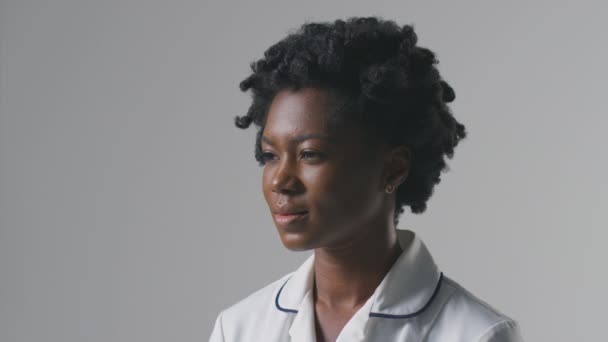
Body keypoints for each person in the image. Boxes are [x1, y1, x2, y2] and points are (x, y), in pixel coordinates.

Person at [209, 16, 525, 342]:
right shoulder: (238, 329)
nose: (280, 181)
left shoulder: (475, 335)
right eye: (270, 156)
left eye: (310, 154)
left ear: (393, 168)